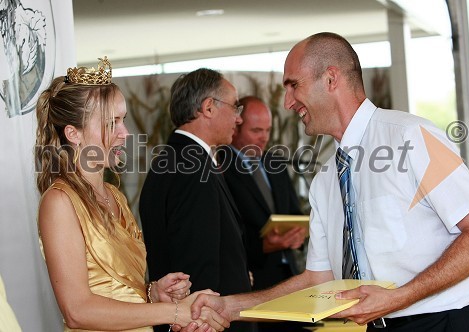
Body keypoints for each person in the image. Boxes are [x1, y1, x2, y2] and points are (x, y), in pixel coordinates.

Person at [182, 32, 469, 332]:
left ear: (331, 79)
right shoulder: (325, 180)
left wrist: (399, 298)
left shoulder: (412, 137)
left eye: (293, 85)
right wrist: (229, 307)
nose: (288, 103)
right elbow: (317, 279)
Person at [35, 58, 228, 332]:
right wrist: (173, 312)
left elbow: (115, 288)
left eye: (123, 120)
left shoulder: (115, 195)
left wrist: (152, 292)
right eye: (111, 123)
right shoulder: (59, 202)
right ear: (73, 133)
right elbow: (77, 310)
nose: (125, 133)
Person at [139, 68, 255, 332]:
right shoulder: (191, 170)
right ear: (208, 108)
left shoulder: (180, 160)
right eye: (235, 107)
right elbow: (196, 268)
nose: (238, 119)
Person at [218, 96, 307, 331]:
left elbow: (294, 213)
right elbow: (224, 235)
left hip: (291, 278)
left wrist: (299, 237)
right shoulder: (219, 168)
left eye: (267, 130)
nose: (264, 137)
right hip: (253, 282)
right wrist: (262, 246)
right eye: (256, 130)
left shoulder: (275, 162)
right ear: (235, 127)